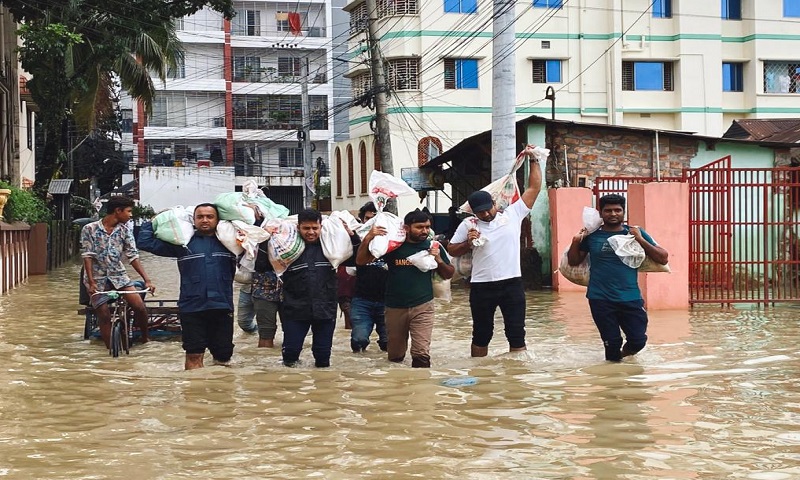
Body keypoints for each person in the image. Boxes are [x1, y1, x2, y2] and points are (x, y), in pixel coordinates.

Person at [447, 157, 543, 357]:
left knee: (516, 333)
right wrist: (468, 243)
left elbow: (534, 188)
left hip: (512, 284)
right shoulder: (468, 225)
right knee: (482, 334)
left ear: (494, 203)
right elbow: (452, 250)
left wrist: (534, 160)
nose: (486, 215)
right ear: (473, 212)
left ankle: (516, 377)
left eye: (488, 209)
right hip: (482, 286)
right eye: (480, 212)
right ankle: (479, 375)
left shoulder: (512, 215)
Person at [566, 194, 669, 362]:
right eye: (608, 210)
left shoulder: (634, 233)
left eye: (617, 210)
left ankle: (621, 360)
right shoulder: (592, 236)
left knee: (638, 341)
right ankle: (613, 379)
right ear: (601, 213)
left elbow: (663, 258)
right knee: (611, 343)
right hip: (600, 298)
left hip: (630, 297)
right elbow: (573, 261)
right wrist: (576, 241)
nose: (613, 214)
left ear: (623, 212)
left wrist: (640, 239)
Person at [137, 203, 237, 370]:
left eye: (210, 216)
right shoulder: (182, 244)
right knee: (194, 353)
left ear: (218, 220)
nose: (205, 220)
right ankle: (194, 393)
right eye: (200, 217)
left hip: (222, 306)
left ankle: (221, 393)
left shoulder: (230, 244)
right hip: (192, 307)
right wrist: (154, 221)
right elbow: (144, 242)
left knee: (223, 356)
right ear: (194, 220)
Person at [357, 209, 454, 368]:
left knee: (421, 355)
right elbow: (361, 261)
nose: (424, 231)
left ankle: (421, 387)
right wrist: (368, 238)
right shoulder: (393, 246)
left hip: (423, 306)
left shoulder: (432, 246)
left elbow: (449, 274)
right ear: (407, 228)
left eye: (427, 227)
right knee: (395, 356)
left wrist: (438, 259)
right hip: (394, 306)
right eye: (419, 227)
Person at [280, 209, 360, 367]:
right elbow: (261, 265)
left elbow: (357, 260)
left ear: (321, 227)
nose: (311, 232)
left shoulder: (331, 249)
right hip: (295, 310)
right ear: (298, 227)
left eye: (315, 228)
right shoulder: (287, 249)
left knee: (323, 358)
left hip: (325, 310)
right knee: (290, 354)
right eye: (306, 228)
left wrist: (352, 235)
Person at [80, 196, 154, 349]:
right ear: (117, 211)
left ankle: (145, 337)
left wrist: (147, 279)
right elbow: (87, 257)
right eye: (128, 211)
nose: (130, 215)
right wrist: (92, 283)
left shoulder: (125, 230)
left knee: (139, 306)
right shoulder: (90, 229)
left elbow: (132, 256)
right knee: (104, 314)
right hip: (96, 278)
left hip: (119, 276)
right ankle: (110, 350)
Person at [350, 201, 388, 353]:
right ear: (362, 220)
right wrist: (368, 238)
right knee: (359, 341)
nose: (373, 224)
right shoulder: (354, 241)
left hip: (387, 300)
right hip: (362, 300)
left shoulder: (392, 242)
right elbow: (358, 261)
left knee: (390, 343)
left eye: (375, 218)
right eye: (367, 219)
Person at [252, 240, 283, 348]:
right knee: (265, 332)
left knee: (293, 331)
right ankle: (263, 363)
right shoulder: (257, 228)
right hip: (262, 285)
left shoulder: (292, 230)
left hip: (291, 285)